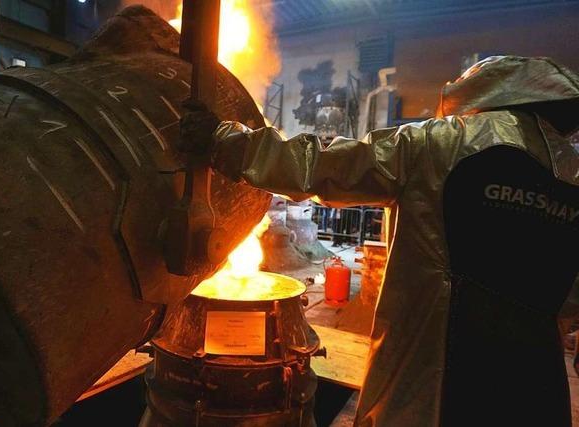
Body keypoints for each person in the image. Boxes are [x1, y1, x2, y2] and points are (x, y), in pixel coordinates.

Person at [181, 56, 579, 426]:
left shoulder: (443, 144)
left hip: (434, 374)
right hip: (534, 378)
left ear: (483, 97)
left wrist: (223, 141)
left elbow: (322, 165)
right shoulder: (570, 172)